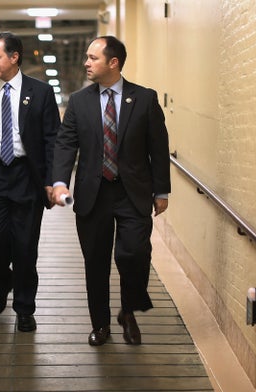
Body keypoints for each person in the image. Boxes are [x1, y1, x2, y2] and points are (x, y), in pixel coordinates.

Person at [51, 36, 170, 346]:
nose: (86, 62)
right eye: (87, 57)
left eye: (93, 58)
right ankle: (100, 324)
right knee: (96, 262)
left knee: (134, 253)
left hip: (133, 192)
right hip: (94, 193)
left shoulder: (144, 98)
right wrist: (60, 180)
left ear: (113, 63)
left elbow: (158, 148)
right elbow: (65, 143)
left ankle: (128, 311)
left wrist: (162, 191)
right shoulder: (79, 101)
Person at [0, 32, 60, 332]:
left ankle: (25, 307)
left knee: (25, 247)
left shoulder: (40, 92)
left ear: (14, 57)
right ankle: (1, 288)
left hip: (26, 177)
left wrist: (52, 180)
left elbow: (52, 140)